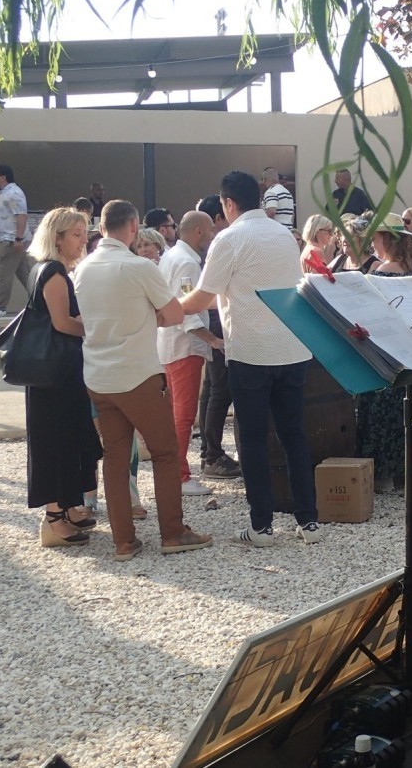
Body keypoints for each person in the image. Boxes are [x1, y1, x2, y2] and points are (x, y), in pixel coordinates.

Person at [181, 171, 320, 546]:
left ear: (227, 204)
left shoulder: (228, 238)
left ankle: (261, 525)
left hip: (251, 352)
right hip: (293, 347)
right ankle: (308, 522)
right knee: (294, 435)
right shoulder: (283, 235)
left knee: (254, 440)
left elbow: (200, 298)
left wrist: (165, 310)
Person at [74, 200, 214, 561]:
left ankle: (124, 541)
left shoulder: (83, 268)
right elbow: (173, 314)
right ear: (134, 226)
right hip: (137, 373)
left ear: (101, 227)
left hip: (98, 375)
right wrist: (143, 318)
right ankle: (173, 531)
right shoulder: (138, 267)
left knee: (115, 457)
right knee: (166, 452)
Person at [23, 208, 102, 546]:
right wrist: (96, 328)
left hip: (56, 373)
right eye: (76, 234)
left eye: (84, 233)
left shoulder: (46, 270)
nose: (84, 240)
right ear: (58, 237)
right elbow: (62, 323)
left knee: (68, 439)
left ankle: (66, 508)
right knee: (57, 441)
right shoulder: (54, 272)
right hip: (56, 377)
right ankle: (54, 517)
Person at [353, 213, 412, 492]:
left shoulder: (381, 273)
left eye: (375, 238)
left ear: (386, 238)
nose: (371, 244)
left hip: (385, 354)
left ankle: (385, 476)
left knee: (382, 413)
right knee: (410, 408)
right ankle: (411, 473)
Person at [157, 210, 222, 496]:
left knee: (176, 413)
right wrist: (213, 340)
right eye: (209, 231)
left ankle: (175, 472)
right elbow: (185, 310)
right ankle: (180, 477)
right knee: (183, 415)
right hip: (184, 347)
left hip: (173, 345)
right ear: (198, 231)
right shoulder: (186, 263)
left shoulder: (173, 257)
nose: (211, 236)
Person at [194, 195, 241, 480]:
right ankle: (212, 454)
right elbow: (208, 293)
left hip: (210, 321)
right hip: (215, 322)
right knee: (218, 391)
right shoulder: (220, 243)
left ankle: (208, 451)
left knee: (211, 389)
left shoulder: (207, 246)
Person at [0, 164, 32, 318]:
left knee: (5, 273)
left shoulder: (14, 193)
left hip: (11, 239)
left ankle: (0, 307)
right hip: (12, 239)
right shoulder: (4, 192)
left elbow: (21, 215)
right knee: (25, 274)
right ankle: (44, 301)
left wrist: (18, 238)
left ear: (4, 176)